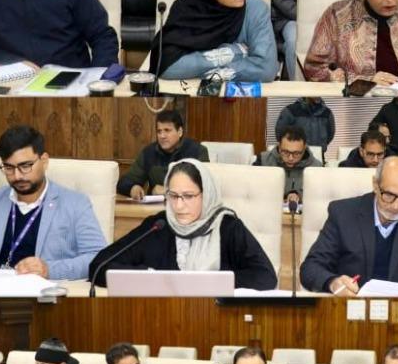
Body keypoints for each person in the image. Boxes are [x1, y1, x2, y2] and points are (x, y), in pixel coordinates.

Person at [89, 159, 277, 290]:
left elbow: (266, 277)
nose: (179, 206)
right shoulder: (158, 226)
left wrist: (209, 282)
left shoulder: (228, 228)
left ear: (206, 195)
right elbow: (99, 266)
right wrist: (150, 277)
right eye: (173, 196)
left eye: (188, 196)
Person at [0, 125, 107, 280]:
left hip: (40, 291)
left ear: (44, 161)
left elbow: (98, 257)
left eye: (25, 166)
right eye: (9, 168)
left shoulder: (76, 204)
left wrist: (49, 270)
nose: (17, 176)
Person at [302, 157, 398, 297]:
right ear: (375, 185)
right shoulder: (343, 214)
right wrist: (333, 283)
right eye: (389, 195)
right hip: (351, 306)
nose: (396, 206)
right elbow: (311, 268)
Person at [150, 0, 279, 82]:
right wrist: (234, 53)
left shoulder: (256, 8)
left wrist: (212, 72)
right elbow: (166, 66)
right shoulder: (186, 8)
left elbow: (266, 68)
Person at [117, 109, 209, 199]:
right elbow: (123, 183)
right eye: (159, 131)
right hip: (156, 206)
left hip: (187, 205)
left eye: (167, 130)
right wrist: (132, 188)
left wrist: (168, 190)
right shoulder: (149, 153)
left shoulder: (198, 151)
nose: (162, 136)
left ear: (180, 132)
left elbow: (205, 186)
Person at [254, 126, 323, 204]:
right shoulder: (263, 161)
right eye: (285, 152)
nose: (290, 158)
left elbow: (320, 196)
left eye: (296, 153)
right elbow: (252, 190)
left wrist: (299, 196)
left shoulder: (317, 168)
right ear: (279, 146)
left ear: (304, 148)